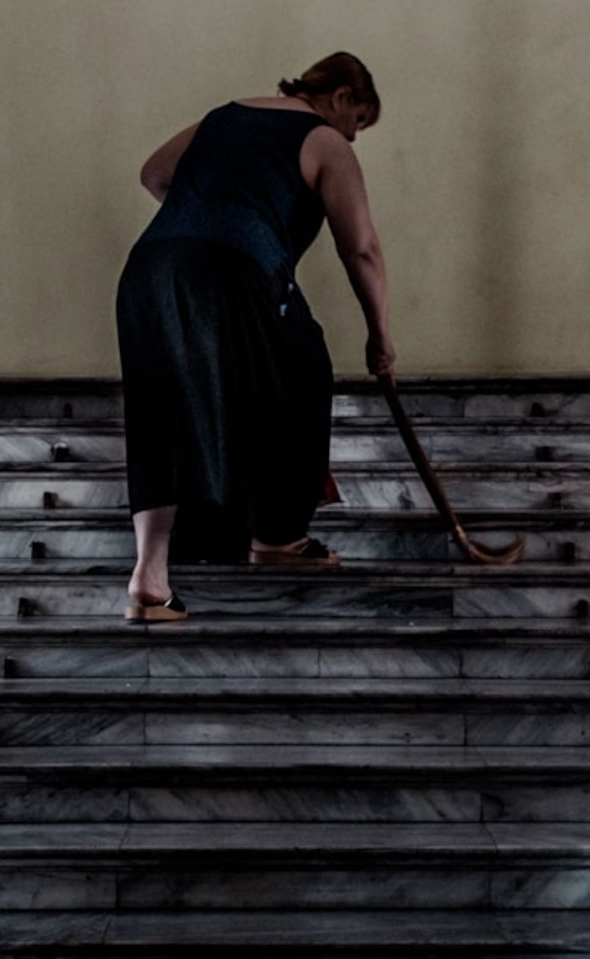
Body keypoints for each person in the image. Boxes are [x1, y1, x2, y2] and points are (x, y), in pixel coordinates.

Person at [115, 52, 395, 622]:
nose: (353, 137)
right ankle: (279, 538)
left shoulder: (222, 117)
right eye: (358, 121)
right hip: (231, 271)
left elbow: (155, 175)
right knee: (305, 371)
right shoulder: (324, 141)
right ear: (341, 96)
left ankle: (150, 577)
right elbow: (360, 247)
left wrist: (210, 215)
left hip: (150, 268)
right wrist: (380, 336)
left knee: (161, 411)